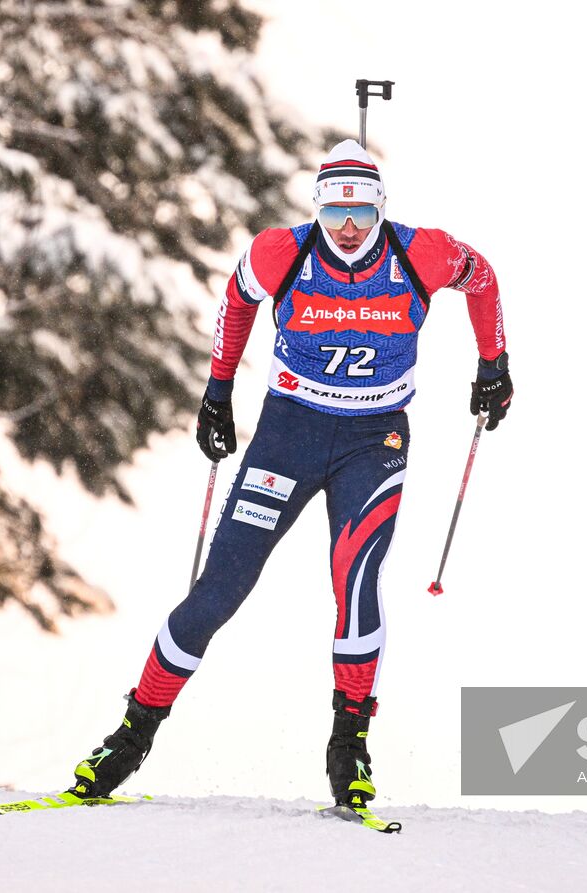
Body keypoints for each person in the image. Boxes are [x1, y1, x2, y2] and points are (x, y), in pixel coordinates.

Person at [67, 139, 511, 815]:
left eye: (362, 211)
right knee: (219, 590)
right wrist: (217, 394)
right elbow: (236, 300)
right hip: (287, 437)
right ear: (317, 209)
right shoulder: (282, 251)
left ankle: (349, 747)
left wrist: (493, 365)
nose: (349, 227)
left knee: (356, 583)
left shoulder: (421, 252)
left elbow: (481, 278)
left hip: (373, 441)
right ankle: (131, 736)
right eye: (334, 212)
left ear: (382, 207)